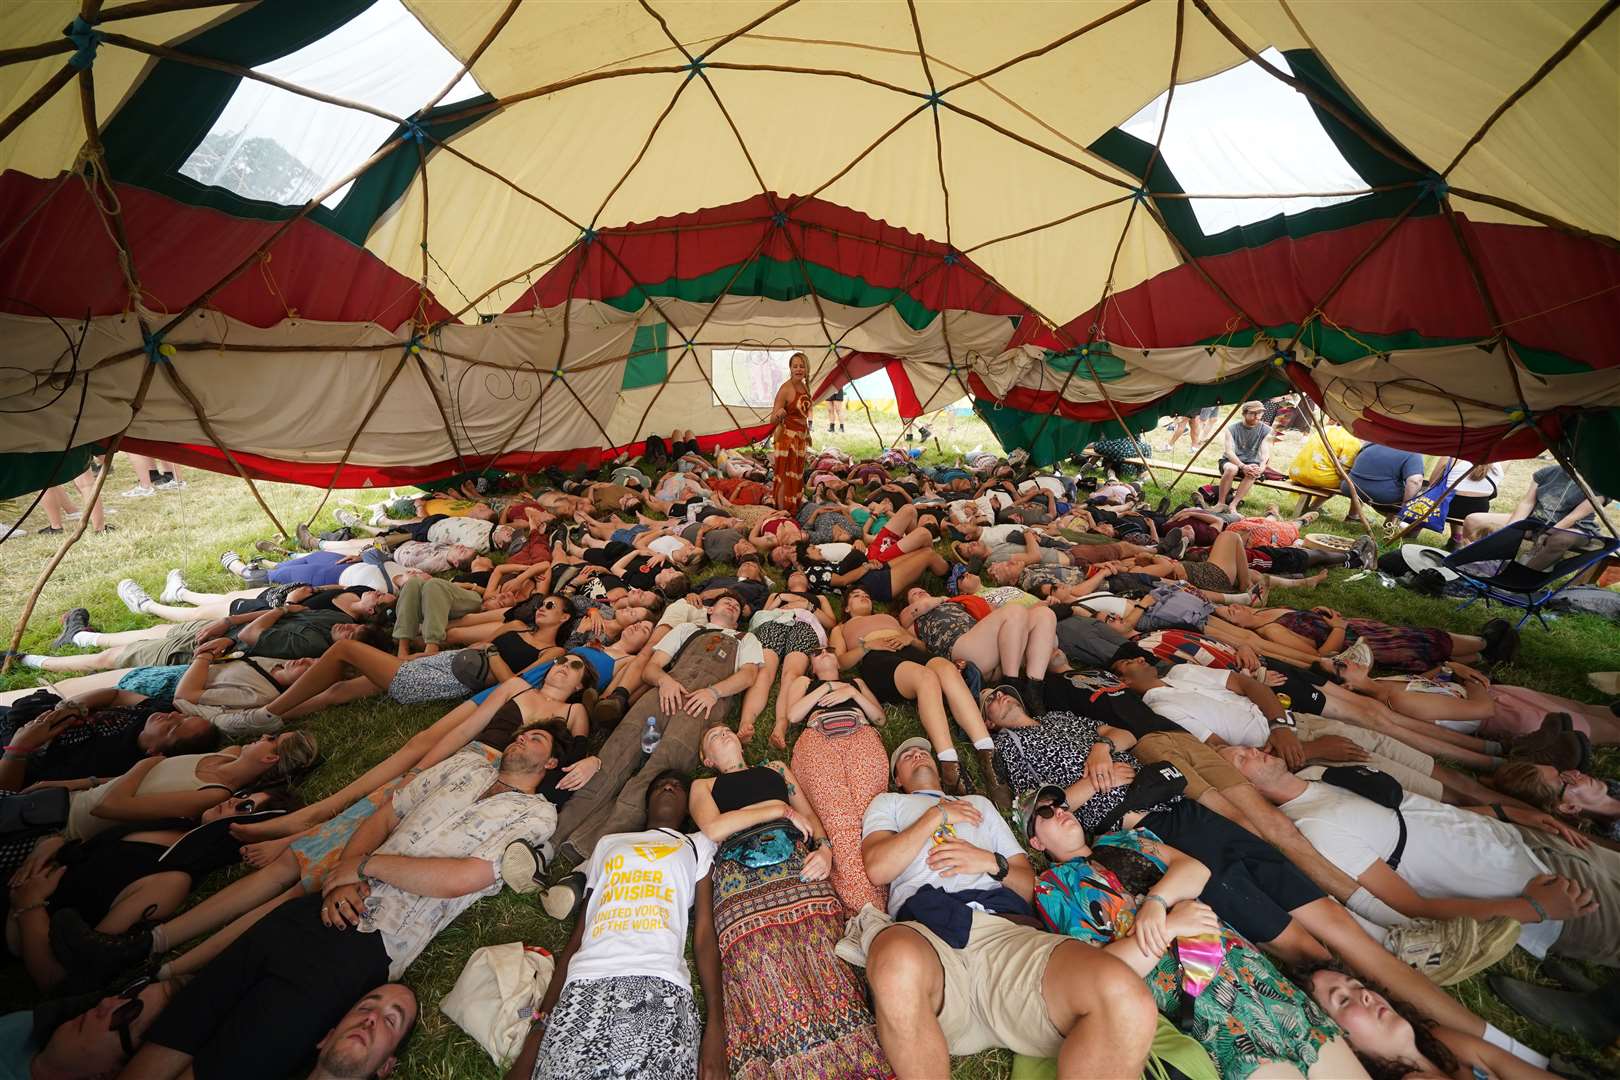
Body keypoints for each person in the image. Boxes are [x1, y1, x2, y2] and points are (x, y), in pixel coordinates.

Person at [120, 726, 562, 1080]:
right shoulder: (466, 764)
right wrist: (342, 874)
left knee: (239, 1056)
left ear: (552, 763)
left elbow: (466, 877)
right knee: (194, 1012)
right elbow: (388, 814)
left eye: (537, 739)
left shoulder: (537, 815)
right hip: (317, 906)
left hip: (371, 941)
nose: (523, 737)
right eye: (523, 733)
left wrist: (365, 866)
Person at [855, 740, 1158, 1077]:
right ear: (898, 778)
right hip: (930, 936)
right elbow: (878, 868)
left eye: (923, 750)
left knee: (1127, 998)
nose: (915, 753)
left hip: (1008, 936)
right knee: (893, 960)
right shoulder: (890, 804)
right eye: (905, 755)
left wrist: (988, 862)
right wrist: (935, 816)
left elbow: (1030, 886)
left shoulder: (979, 805)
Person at [1020, 787, 1368, 1080]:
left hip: (1256, 977)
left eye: (1062, 805)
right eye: (1046, 813)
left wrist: (1158, 901)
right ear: (1035, 841)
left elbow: (1194, 869)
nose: (1061, 811)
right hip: (1208, 1011)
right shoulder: (1053, 890)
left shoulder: (1125, 839)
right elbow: (1097, 973)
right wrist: (1171, 926)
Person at [1222, 743, 1620, 969]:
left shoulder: (1319, 774)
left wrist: (1505, 813)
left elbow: (1421, 814)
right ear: (1242, 785)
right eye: (1239, 758)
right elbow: (1412, 905)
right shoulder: (1314, 830)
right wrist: (1531, 906)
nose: (1248, 748)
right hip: (1538, 888)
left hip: (1524, 841)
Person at [689, 724, 888, 1075]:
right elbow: (716, 829)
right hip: (740, 878)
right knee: (759, 966)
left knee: (829, 956)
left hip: (799, 866)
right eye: (712, 736)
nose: (722, 733)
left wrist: (826, 850)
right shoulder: (704, 786)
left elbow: (809, 816)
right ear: (707, 759)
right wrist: (778, 811)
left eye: (726, 730)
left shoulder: (777, 769)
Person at [503, 772, 723, 1080]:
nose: (669, 786)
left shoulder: (698, 845)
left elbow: (704, 936)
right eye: (660, 785)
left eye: (677, 786)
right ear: (647, 803)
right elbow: (578, 936)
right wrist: (538, 1033)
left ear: (689, 807)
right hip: (585, 985)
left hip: (660, 984)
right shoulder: (609, 844)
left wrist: (716, 1026)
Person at [549, 593, 764, 862]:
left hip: (704, 705)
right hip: (664, 693)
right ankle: (555, 837)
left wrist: (713, 692)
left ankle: (594, 847)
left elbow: (748, 675)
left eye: (735, 604)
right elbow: (651, 668)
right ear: (710, 609)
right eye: (725, 601)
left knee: (660, 771)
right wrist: (664, 681)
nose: (732, 603)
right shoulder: (688, 629)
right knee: (615, 753)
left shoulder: (746, 639)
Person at [1304, 965, 1559, 1080]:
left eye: (1357, 986)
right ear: (1342, 1044)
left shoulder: (1446, 1043)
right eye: (1344, 1001)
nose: (1365, 994)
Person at [781, 646, 890, 913]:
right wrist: (826, 688)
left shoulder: (856, 682)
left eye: (829, 649)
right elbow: (793, 715)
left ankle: (872, 904)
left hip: (860, 734)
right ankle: (866, 908)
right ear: (811, 666)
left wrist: (851, 692)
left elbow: (879, 718)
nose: (824, 652)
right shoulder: (805, 682)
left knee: (870, 815)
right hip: (818, 738)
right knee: (837, 818)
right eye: (816, 652)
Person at [0, 976, 180, 1077]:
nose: (105, 1002)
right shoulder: (29, 1026)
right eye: (129, 991)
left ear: (112, 1073)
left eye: (126, 1014)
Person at [768, 352, 812, 513]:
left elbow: (803, 414)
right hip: (787, 439)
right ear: (790, 368)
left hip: (800, 437)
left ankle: (792, 508)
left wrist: (807, 434)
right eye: (795, 366)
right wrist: (779, 414)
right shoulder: (786, 389)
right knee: (785, 476)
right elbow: (772, 419)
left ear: (807, 368)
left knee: (796, 476)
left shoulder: (804, 385)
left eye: (802, 366)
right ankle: (781, 511)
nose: (798, 369)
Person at [1213, 401, 1273, 513]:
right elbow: (1229, 452)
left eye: (1260, 413)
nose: (1257, 416)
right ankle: (1220, 503)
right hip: (1231, 461)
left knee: (1253, 471)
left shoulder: (1266, 430)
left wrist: (1262, 466)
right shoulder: (1232, 429)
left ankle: (1233, 505)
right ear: (1244, 413)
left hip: (1251, 463)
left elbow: (1265, 452)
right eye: (1253, 413)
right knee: (1232, 469)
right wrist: (1242, 465)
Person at [1342, 442, 1427, 509]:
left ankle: (1353, 515)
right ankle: (1392, 525)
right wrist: (1405, 508)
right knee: (1422, 495)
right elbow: (1415, 481)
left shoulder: (1371, 442)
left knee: (1364, 476)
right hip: (1382, 496)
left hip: (1349, 487)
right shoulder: (1413, 452)